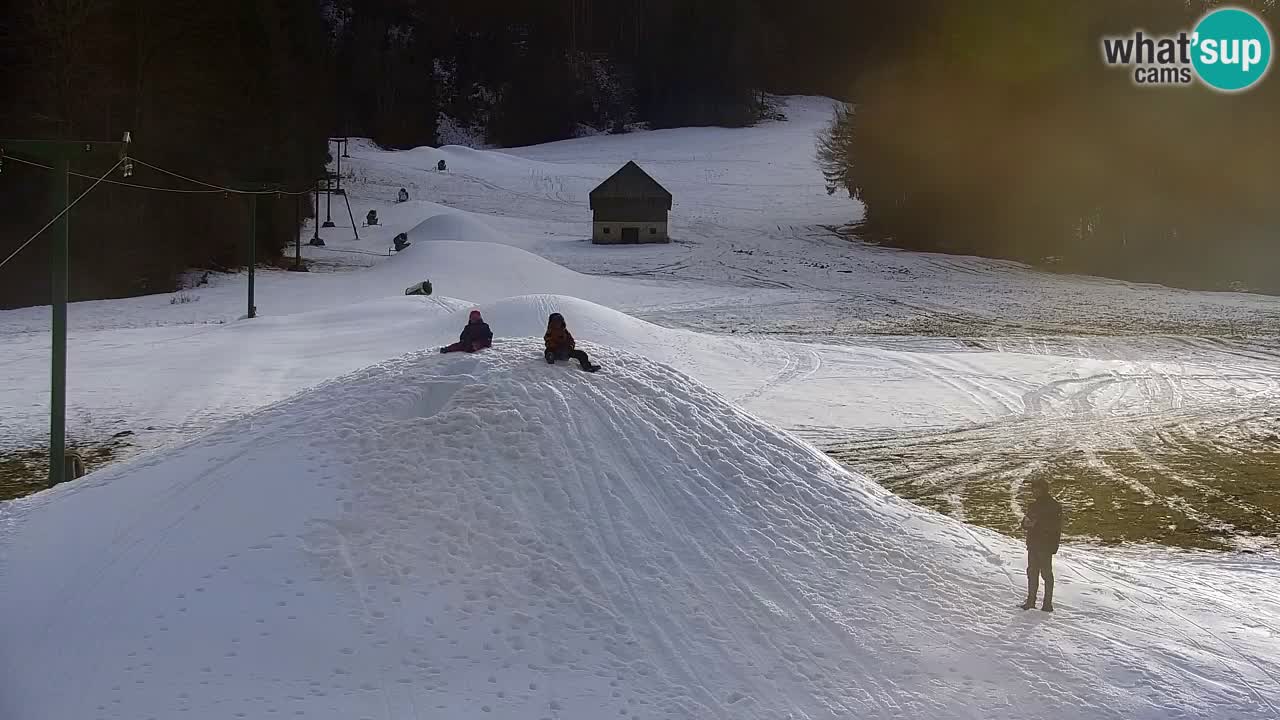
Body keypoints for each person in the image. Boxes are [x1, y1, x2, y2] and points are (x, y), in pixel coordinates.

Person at [1019, 477, 1063, 612]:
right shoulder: (1033, 505)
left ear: (1043, 490)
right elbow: (1026, 522)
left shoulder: (1054, 506)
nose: (1034, 492)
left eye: (1036, 489)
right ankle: (1031, 601)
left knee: (1046, 574)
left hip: (1045, 545)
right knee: (1032, 573)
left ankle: (1047, 604)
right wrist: (1025, 524)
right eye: (1033, 489)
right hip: (1033, 544)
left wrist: (1037, 524)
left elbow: (1056, 527)